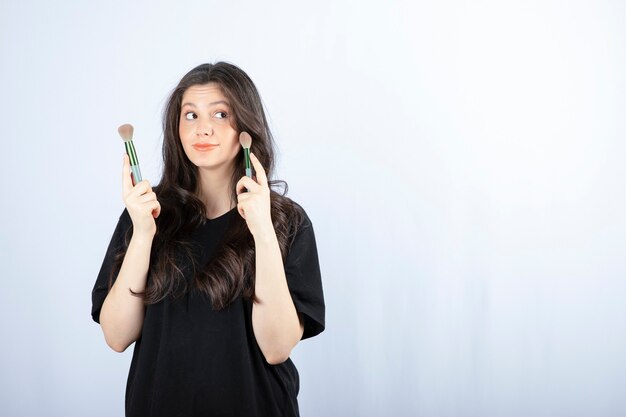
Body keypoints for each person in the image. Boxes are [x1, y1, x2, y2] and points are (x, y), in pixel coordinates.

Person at [91, 62, 325, 417]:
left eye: (220, 114)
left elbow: (276, 347)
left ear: (246, 127)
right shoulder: (145, 214)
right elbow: (117, 336)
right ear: (176, 127)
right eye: (190, 115)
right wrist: (142, 234)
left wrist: (261, 230)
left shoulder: (286, 221)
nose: (203, 129)